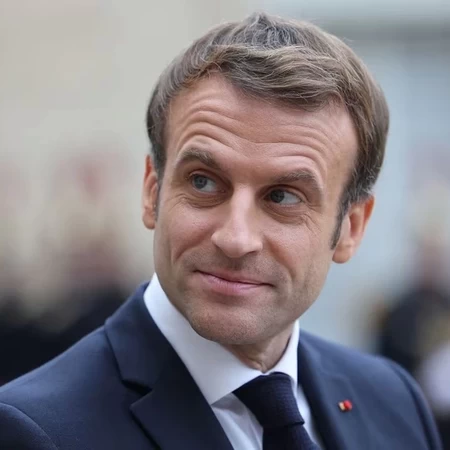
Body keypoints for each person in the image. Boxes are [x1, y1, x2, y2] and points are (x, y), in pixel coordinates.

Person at [0, 12, 442, 450]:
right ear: (152, 192)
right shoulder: (35, 432)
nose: (235, 238)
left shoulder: (394, 404)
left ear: (351, 228)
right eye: (203, 183)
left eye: (283, 197)